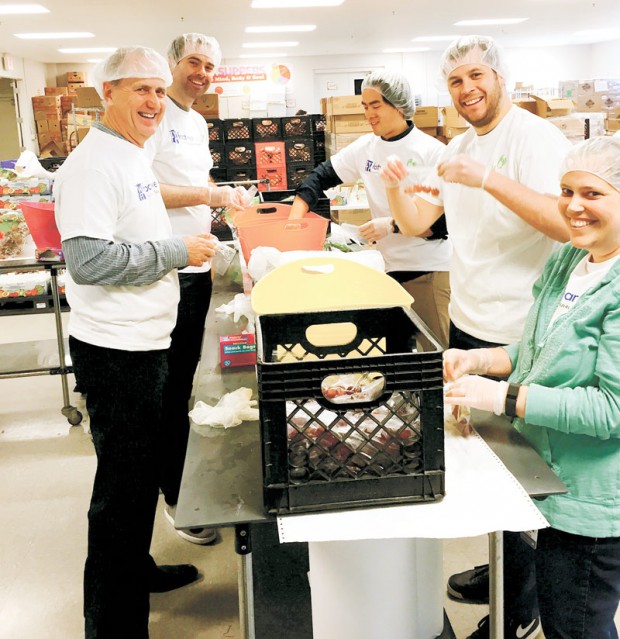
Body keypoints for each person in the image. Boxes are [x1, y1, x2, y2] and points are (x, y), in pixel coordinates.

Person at [381, 35, 572, 639]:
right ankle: (505, 568)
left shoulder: (535, 139)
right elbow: (420, 221)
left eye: (476, 76)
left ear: (500, 77)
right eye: (456, 81)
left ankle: (521, 605)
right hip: (468, 326)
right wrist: (392, 186)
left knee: (525, 474)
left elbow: (564, 221)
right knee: (486, 464)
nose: (467, 90)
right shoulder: (457, 147)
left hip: (521, 334)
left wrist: (486, 176)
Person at [53, 46, 219, 638]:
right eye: (138, 90)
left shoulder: (133, 152)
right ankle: (113, 625)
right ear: (108, 93)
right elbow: (88, 258)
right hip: (116, 352)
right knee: (120, 494)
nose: (153, 102)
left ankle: (137, 569)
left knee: (137, 477)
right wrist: (179, 252)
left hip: (144, 340)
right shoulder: (95, 162)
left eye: (157, 90)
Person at [444, 135, 620, 639]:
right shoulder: (570, 259)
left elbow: (612, 409)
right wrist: (481, 359)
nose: (574, 206)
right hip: (551, 475)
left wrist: (502, 397)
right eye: (566, 191)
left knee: (577, 622)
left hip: (594, 501)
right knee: (558, 605)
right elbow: (539, 348)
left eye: (593, 193)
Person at [144, 33, 246, 545]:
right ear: (172, 64)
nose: (202, 73)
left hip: (194, 267)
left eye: (210, 65)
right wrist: (211, 193)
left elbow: (188, 190)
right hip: (161, 268)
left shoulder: (198, 122)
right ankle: (174, 495)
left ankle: (186, 479)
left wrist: (220, 211)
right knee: (167, 387)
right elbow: (143, 186)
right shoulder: (155, 114)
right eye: (193, 63)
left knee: (185, 379)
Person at [288, 69, 452, 348]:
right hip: (389, 271)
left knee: (437, 356)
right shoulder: (367, 147)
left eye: (376, 105)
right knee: (398, 353)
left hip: (429, 271)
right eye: (365, 106)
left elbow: (443, 224)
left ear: (399, 105)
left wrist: (391, 226)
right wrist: (294, 217)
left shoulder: (431, 152)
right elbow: (321, 176)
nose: (368, 113)